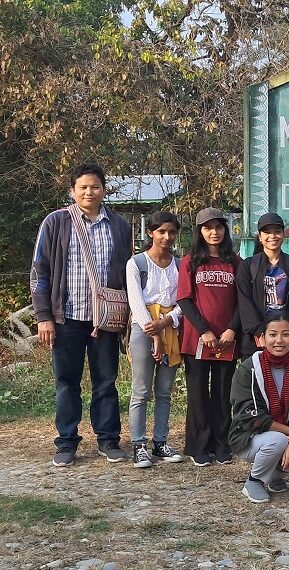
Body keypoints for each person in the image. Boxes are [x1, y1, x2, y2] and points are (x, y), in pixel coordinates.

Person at [31, 163, 133, 466]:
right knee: (66, 382)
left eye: (95, 186)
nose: (89, 192)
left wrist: (130, 317)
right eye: (83, 187)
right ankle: (66, 442)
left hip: (105, 319)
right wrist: (44, 316)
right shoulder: (56, 222)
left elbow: (128, 273)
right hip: (66, 318)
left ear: (104, 190)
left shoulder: (119, 225)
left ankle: (108, 439)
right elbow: (40, 272)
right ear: (72, 191)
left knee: (106, 381)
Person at [229, 313, 289, 503]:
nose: (279, 340)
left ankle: (272, 476)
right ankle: (254, 482)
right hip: (249, 436)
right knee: (277, 441)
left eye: (286, 334)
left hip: (283, 437)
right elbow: (251, 416)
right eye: (272, 334)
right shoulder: (248, 369)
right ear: (262, 338)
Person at [177, 207, 241, 467]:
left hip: (227, 339)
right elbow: (184, 299)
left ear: (225, 230)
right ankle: (199, 446)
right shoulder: (190, 261)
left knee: (223, 392)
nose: (214, 232)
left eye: (218, 227)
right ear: (199, 231)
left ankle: (222, 444)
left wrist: (232, 329)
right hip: (198, 340)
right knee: (198, 394)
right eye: (208, 227)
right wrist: (204, 330)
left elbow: (242, 300)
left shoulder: (235, 262)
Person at [125, 211, 184, 468]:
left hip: (171, 326)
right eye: (161, 231)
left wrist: (166, 322)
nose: (166, 237)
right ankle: (139, 445)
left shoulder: (180, 265)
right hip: (144, 327)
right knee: (141, 390)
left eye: (171, 232)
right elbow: (136, 303)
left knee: (164, 390)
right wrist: (155, 333)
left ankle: (161, 442)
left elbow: (184, 301)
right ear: (150, 233)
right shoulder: (136, 263)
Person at [236, 212, 289, 360]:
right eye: (267, 232)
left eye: (277, 231)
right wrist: (260, 333)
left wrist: (287, 333)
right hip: (256, 340)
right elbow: (244, 302)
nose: (272, 236)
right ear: (260, 237)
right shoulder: (248, 266)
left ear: (283, 234)